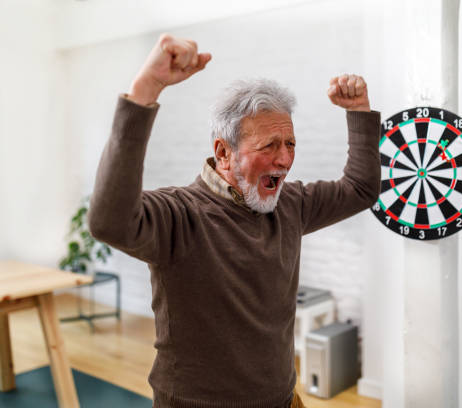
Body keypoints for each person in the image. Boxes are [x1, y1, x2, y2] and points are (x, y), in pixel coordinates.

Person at [88, 34, 381, 408]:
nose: (284, 159)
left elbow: (360, 188)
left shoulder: (290, 203)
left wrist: (358, 111)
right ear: (223, 153)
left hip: (282, 399)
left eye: (289, 143)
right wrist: (147, 89)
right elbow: (109, 222)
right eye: (269, 146)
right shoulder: (180, 215)